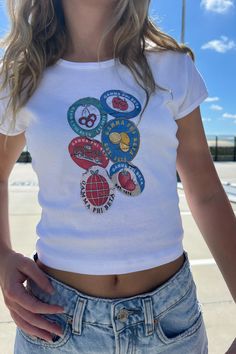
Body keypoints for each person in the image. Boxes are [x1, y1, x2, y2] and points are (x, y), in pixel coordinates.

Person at [0, 1, 235, 353]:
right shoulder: (22, 76)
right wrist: (2, 255)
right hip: (55, 323)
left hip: (170, 324)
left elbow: (206, 192)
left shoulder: (171, 67)